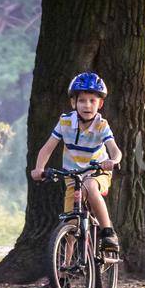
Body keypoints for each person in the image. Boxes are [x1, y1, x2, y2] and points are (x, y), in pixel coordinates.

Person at [31, 72, 122, 253]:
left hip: (97, 171)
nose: (87, 105)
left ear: (100, 104)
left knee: (90, 185)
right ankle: (63, 274)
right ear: (74, 103)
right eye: (81, 100)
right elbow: (47, 148)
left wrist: (113, 161)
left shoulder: (101, 125)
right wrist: (39, 168)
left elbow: (115, 150)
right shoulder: (65, 122)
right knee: (71, 223)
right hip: (73, 175)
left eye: (92, 101)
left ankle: (108, 233)